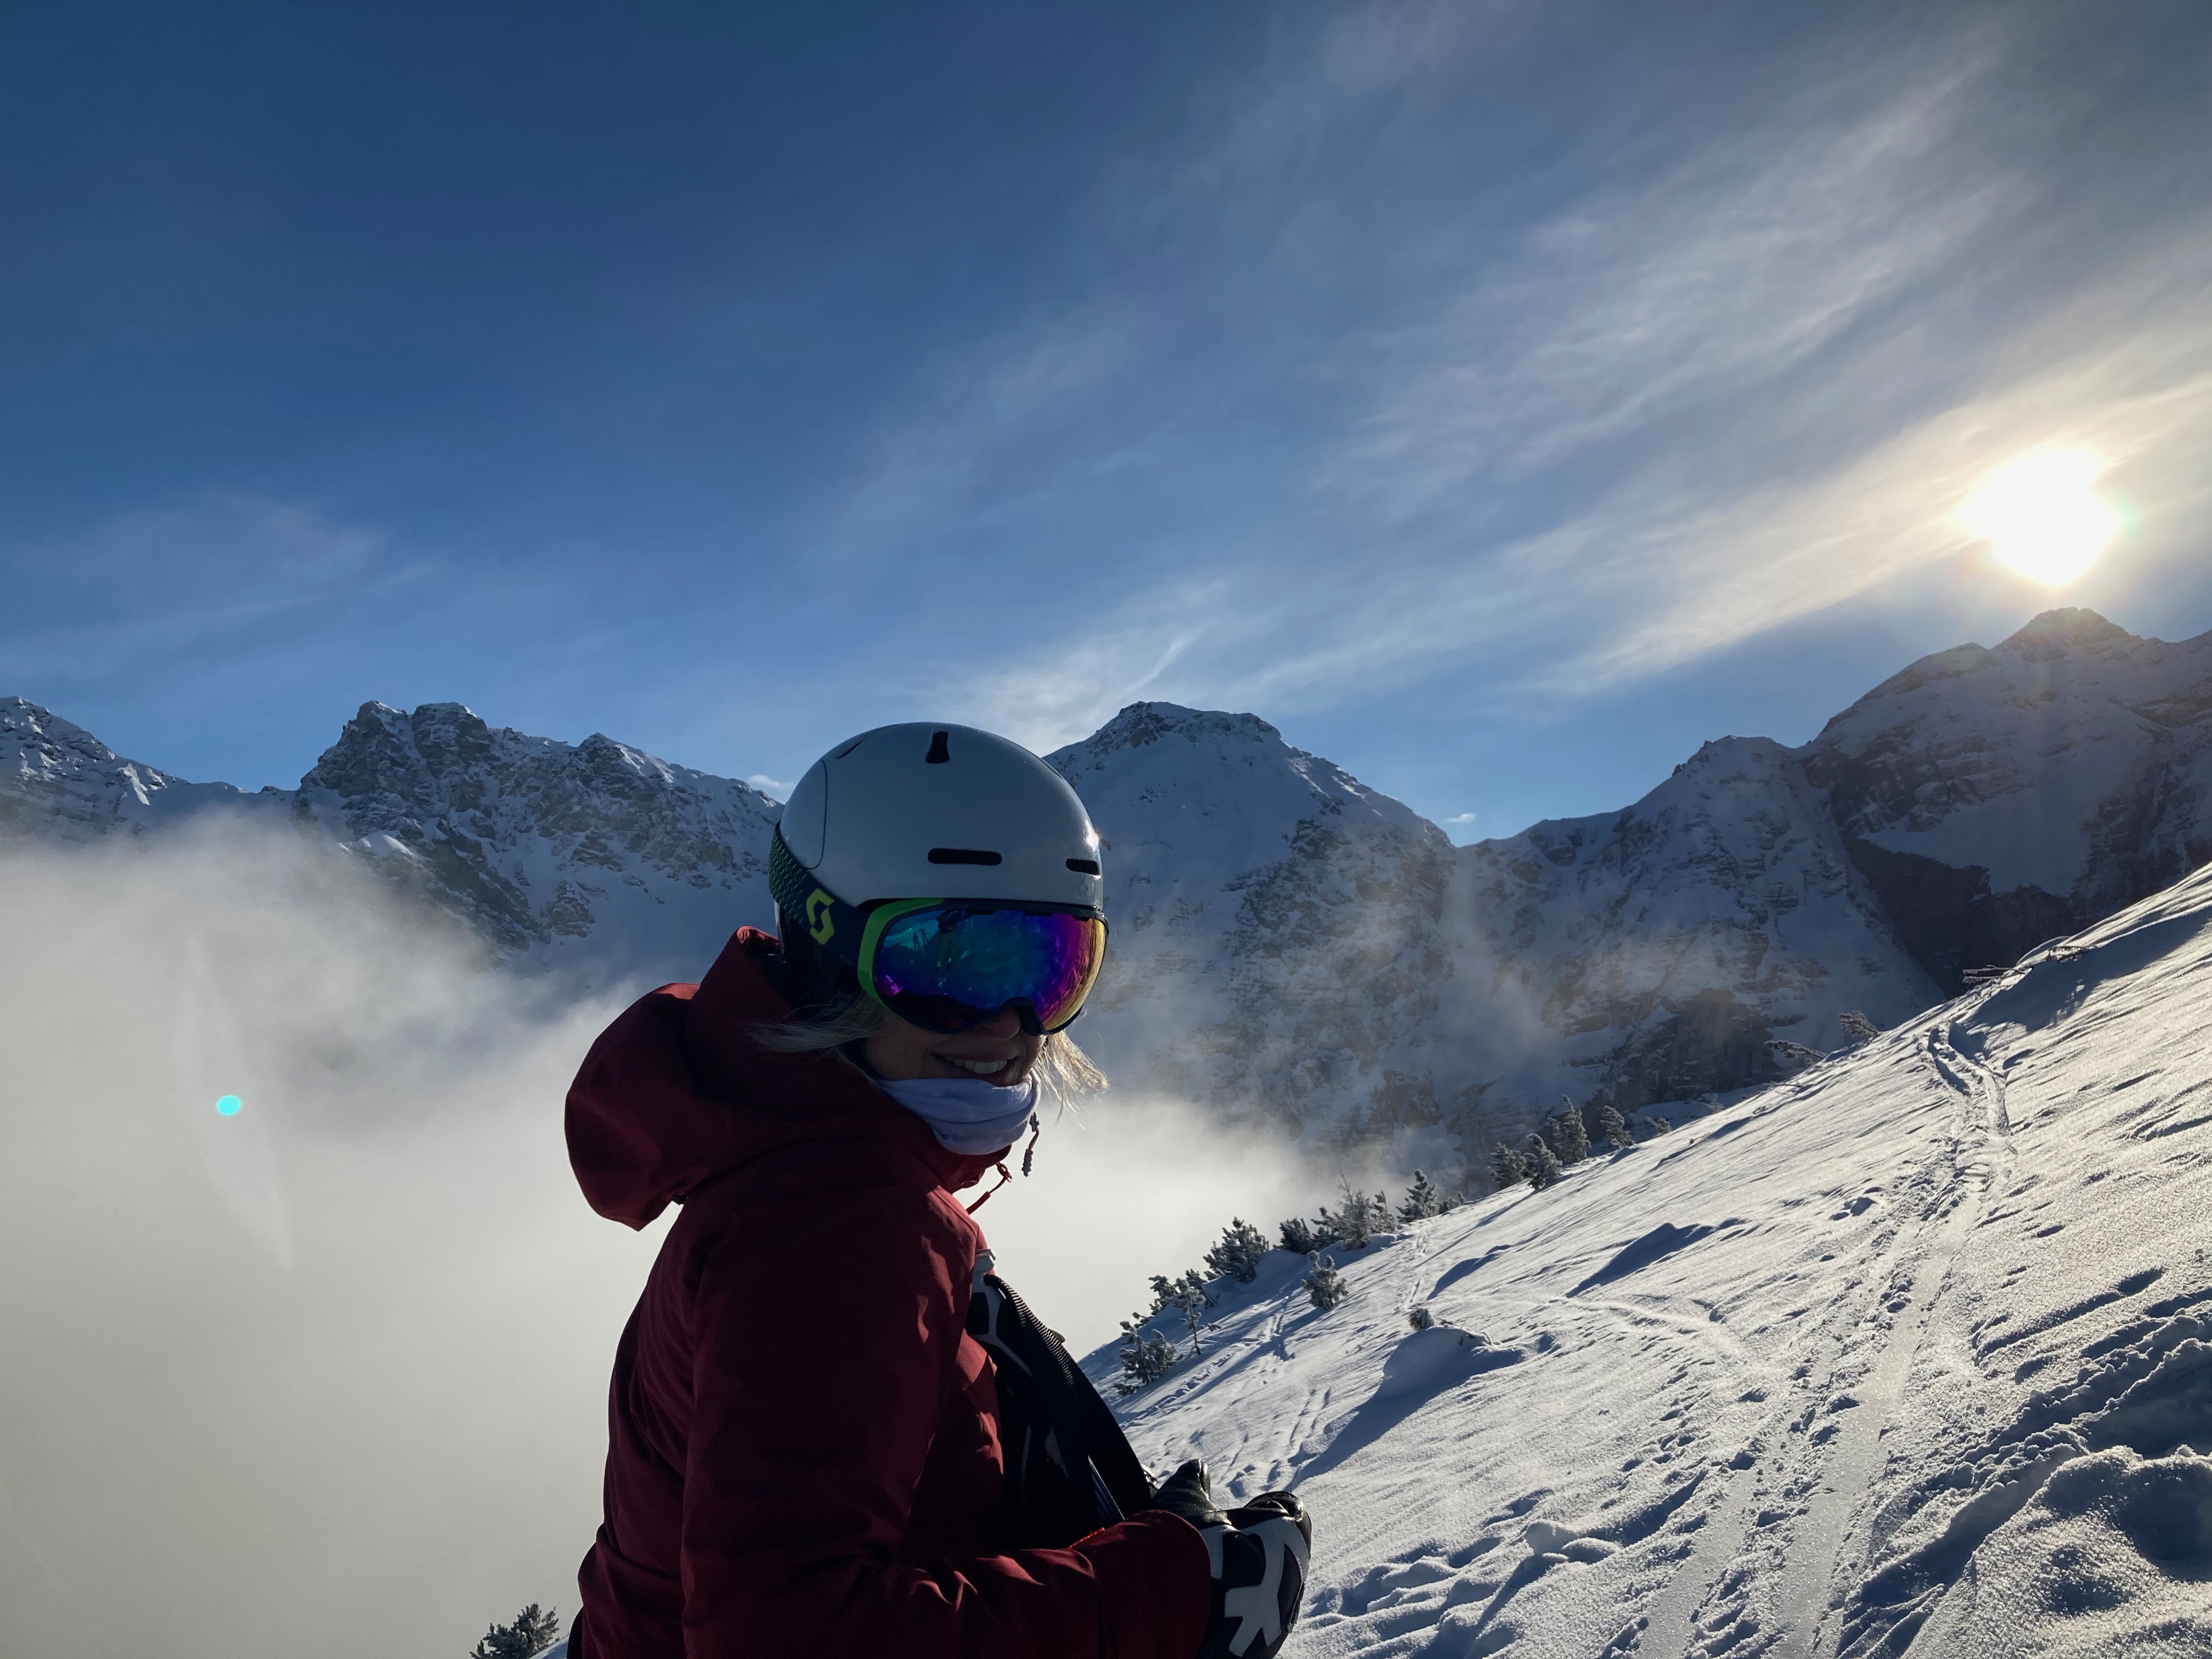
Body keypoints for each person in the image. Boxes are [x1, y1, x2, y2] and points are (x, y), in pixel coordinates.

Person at [562, 721, 1313, 1659]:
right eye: (943, 960)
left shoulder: (786, 1160)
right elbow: (781, 1634)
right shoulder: (838, 1226)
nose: (1005, 1026)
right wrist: (1173, 1593)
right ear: (828, 952)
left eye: (1048, 964)